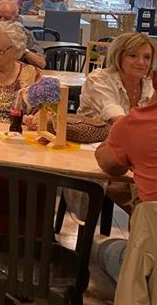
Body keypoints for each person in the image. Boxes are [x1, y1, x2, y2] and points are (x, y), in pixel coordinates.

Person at [92, 93, 157, 284]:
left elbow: (108, 163)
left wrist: (116, 137)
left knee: (100, 248)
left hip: (149, 269)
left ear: (153, 79)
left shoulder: (137, 123)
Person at [78, 32, 155, 124]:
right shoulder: (99, 80)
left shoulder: (150, 83)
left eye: (147, 57)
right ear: (118, 56)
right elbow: (119, 121)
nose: (141, 62)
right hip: (101, 137)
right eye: (133, 55)